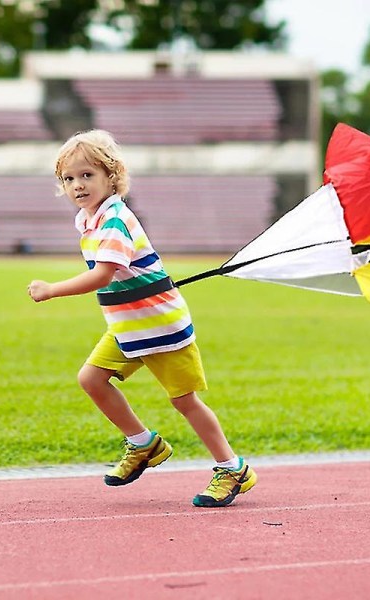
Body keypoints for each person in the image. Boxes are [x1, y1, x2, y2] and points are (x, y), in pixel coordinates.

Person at [27, 129, 257, 507]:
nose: (78, 185)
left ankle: (232, 468)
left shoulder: (115, 219)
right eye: (69, 179)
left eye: (87, 175)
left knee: (185, 402)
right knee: (92, 379)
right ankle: (144, 444)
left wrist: (52, 289)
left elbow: (102, 275)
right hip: (128, 326)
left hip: (161, 327)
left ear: (111, 176)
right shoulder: (88, 220)